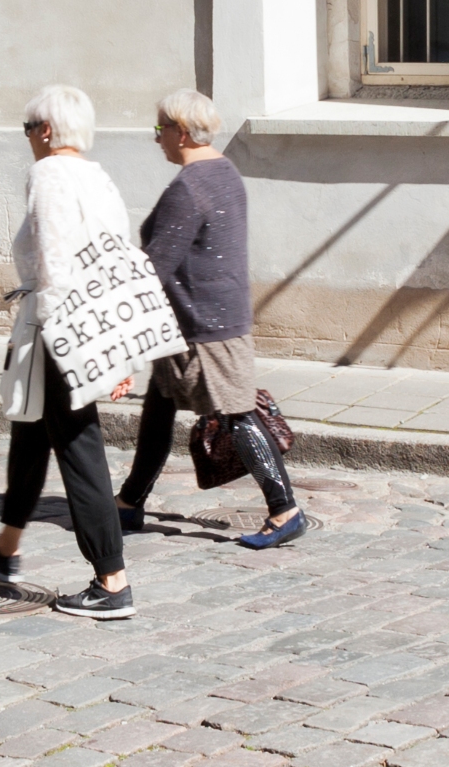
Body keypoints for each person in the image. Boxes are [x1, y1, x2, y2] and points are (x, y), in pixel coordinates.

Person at [0, 83, 140, 616]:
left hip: (60, 331)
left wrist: (91, 351)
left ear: (44, 130)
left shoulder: (47, 174)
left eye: (26, 129)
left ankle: (111, 580)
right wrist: (119, 348)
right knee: (30, 433)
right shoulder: (97, 176)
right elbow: (117, 258)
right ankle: (4, 547)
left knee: (80, 450)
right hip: (86, 323)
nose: (27, 141)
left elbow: (55, 262)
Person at [111, 88, 308, 548]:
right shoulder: (224, 172)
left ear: (180, 132)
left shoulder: (190, 186)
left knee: (238, 414)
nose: (156, 138)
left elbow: (156, 264)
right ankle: (129, 503)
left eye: (159, 129)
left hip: (206, 325)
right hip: (193, 318)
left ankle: (285, 509)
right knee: (158, 409)